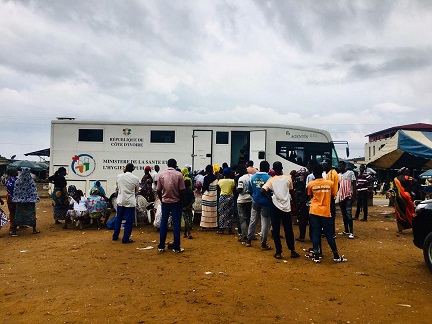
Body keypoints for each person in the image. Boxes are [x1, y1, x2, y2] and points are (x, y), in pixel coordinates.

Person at [307, 164, 347, 263]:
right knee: (329, 234)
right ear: (322, 172)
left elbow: (309, 195)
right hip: (325, 211)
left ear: (313, 173)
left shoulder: (311, 184)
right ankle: (336, 255)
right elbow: (334, 194)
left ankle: (316, 256)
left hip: (314, 211)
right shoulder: (330, 183)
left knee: (316, 233)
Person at [261, 161, 300, 260]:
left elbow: (262, 191)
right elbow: (291, 191)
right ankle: (292, 251)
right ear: (282, 168)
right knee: (288, 230)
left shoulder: (271, 180)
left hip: (275, 206)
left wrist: (270, 198)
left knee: (276, 229)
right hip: (286, 207)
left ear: (273, 169)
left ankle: (278, 252)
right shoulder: (288, 178)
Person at [157, 158, 186, 253]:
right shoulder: (179, 175)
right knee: (176, 224)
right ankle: (176, 247)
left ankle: (161, 246)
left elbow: (158, 190)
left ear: (167, 164)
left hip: (165, 201)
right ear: (175, 165)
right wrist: (181, 202)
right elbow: (182, 190)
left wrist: (162, 199)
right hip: (176, 201)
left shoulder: (161, 174)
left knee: (163, 223)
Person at [245, 160, 272, 250]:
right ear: (267, 168)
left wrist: (254, 196)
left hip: (255, 201)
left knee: (253, 220)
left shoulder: (253, 177)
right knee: (265, 223)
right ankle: (263, 243)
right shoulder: (269, 178)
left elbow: (249, 190)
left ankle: (249, 240)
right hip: (266, 203)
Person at [112, 163, 140, 244]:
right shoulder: (136, 178)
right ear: (133, 169)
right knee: (129, 221)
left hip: (120, 201)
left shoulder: (119, 176)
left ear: (125, 169)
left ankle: (115, 236)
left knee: (118, 219)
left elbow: (116, 188)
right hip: (130, 202)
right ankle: (125, 238)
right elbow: (137, 190)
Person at [11, 167, 40, 236]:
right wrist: (34, 198)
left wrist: (17, 199)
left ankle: (14, 230)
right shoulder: (31, 181)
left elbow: (16, 191)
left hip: (20, 202)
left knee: (18, 215)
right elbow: (34, 191)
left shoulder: (18, 181)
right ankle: (34, 229)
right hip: (30, 202)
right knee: (31, 215)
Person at [393, 167, 416, 233]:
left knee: (399, 212)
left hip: (398, 197)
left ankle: (400, 229)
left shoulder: (396, 178)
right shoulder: (407, 177)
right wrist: (410, 187)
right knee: (410, 212)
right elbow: (415, 181)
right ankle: (413, 227)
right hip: (406, 196)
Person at [338, 161, 356, 239]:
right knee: (344, 214)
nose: (339, 168)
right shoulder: (338, 175)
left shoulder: (350, 173)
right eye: (338, 166)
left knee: (349, 214)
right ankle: (346, 230)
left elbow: (354, 184)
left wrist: (354, 196)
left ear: (344, 166)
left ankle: (351, 232)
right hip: (341, 197)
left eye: (341, 166)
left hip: (348, 196)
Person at [217, 168, 236, 234]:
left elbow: (218, 188)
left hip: (222, 197)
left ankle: (221, 229)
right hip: (230, 197)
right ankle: (229, 229)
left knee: (222, 213)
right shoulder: (232, 181)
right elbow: (233, 188)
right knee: (230, 213)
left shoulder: (220, 181)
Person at [322, 159, 339, 235]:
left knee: (330, 214)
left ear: (328, 165)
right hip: (330, 196)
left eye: (324, 164)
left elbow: (330, 186)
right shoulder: (330, 173)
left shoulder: (331, 173)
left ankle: (331, 232)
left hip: (330, 196)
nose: (323, 166)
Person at [236, 164, 252, 242]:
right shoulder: (251, 177)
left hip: (242, 200)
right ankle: (251, 235)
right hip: (250, 199)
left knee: (242, 219)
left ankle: (244, 236)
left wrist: (236, 189)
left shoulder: (241, 179)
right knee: (250, 218)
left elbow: (240, 190)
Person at [200, 164, 218, 229]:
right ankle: (213, 225)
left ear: (207, 170)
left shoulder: (206, 178)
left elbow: (204, 187)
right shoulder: (216, 178)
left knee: (205, 212)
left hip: (206, 197)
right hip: (213, 197)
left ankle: (204, 226)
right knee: (213, 212)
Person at [2, 168, 18, 235]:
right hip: (17, 198)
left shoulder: (5, 179)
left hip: (9, 198)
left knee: (11, 212)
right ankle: (14, 227)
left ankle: (11, 226)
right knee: (17, 212)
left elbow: (3, 182)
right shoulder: (17, 180)